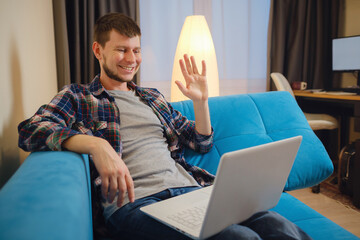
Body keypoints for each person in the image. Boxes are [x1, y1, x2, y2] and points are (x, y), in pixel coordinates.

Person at [18, 13, 312, 240]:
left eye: (136, 50)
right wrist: (97, 144)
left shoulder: (152, 98)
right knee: (239, 237)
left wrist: (201, 101)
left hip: (190, 191)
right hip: (134, 205)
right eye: (121, 50)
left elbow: (201, 143)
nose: (131, 59)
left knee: (277, 224)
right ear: (98, 50)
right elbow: (31, 129)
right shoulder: (78, 96)